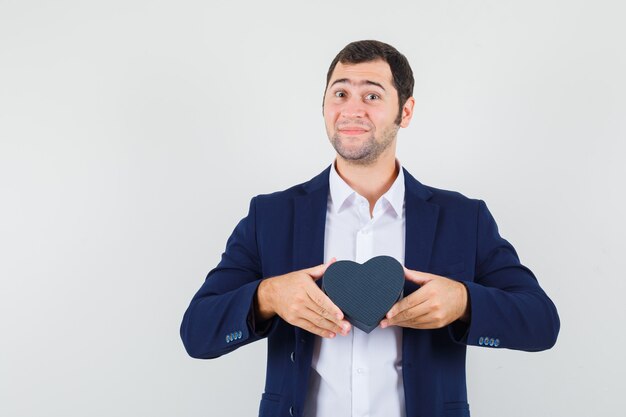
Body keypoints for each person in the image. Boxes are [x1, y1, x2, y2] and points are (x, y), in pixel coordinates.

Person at [180, 40, 560, 417]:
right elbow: (197, 333)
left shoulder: (464, 219)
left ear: (405, 112)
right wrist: (268, 297)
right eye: (340, 93)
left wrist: (463, 302)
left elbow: (541, 323)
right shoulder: (271, 216)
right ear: (324, 107)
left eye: (372, 96)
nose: (351, 110)